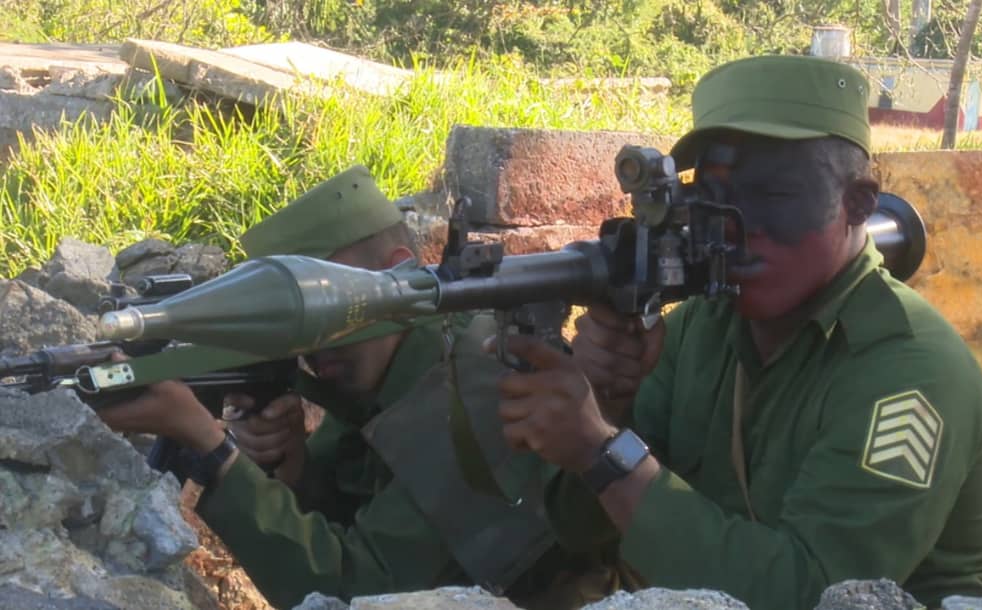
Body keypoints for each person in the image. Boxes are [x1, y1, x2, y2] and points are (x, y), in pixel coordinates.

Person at [487, 55, 982, 610]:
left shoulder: (911, 371)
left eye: (775, 196)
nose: (735, 229)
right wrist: (606, 403)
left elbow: (814, 596)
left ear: (857, 203)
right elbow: (580, 530)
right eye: (715, 198)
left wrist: (603, 452)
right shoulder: (703, 327)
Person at [98, 165, 628, 609]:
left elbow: (350, 593)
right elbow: (354, 512)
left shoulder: (478, 384)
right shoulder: (387, 365)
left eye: (321, 308)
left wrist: (211, 449)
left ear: (396, 275)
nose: (307, 346)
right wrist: (297, 471)